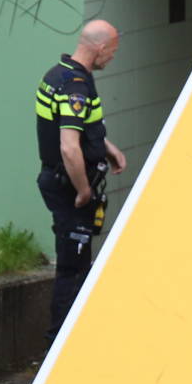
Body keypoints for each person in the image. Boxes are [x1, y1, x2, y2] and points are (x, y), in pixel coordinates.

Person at [35, 19, 128, 340]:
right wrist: (84, 191)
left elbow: (76, 126)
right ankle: (59, 345)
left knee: (76, 266)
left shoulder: (57, 75)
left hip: (57, 180)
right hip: (68, 188)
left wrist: (107, 148)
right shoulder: (76, 87)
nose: (112, 57)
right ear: (100, 48)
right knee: (73, 271)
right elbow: (69, 147)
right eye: (112, 51)